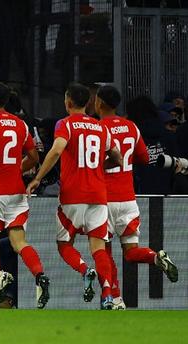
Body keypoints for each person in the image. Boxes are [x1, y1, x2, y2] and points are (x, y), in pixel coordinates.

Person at [26, 82, 122, 310]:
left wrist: (38, 177)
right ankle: (108, 294)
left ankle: (83, 269)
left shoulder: (65, 124)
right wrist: (99, 166)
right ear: (88, 103)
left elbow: (57, 150)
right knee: (99, 247)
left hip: (72, 195)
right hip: (98, 195)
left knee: (64, 244)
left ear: (68, 102)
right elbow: (117, 158)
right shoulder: (101, 128)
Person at [96, 85, 178, 309]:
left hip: (105, 200)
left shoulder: (97, 128)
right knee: (131, 252)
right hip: (128, 200)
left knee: (104, 252)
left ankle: (115, 299)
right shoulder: (131, 126)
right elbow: (143, 157)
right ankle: (155, 256)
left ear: (100, 103)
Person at [0, 81, 49, 309]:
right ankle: (39, 275)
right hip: (16, 192)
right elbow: (34, 157)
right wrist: (16, 170)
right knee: (19, 242)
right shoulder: (20, 124)